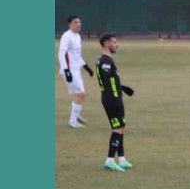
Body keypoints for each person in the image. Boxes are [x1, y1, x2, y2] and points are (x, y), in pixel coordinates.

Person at [95, 34, 135, 172]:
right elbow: (107, 82)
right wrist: (115, 97)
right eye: (114, 42)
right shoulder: (105, 62)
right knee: (117, 128)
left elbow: (112, 81)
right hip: (112, 100)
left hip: (113, 97)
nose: (116, 44)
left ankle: (122, 159)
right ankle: (110, 160)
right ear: (107, 44)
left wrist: (123, 88)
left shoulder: (106, 60)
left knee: (121, 127)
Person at [58, 15, 94, 128]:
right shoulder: (66, 36)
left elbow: (77, 55)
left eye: (79, 22)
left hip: (76, 70)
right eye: (75, 22)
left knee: (80, 95)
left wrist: (86, 67)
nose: (78, 24)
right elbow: (61, 54)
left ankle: (76, 116)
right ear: (70, 24)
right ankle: (73, 122)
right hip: (69, 71)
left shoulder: (77, 36)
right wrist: (66, 70)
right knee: (80, 94)